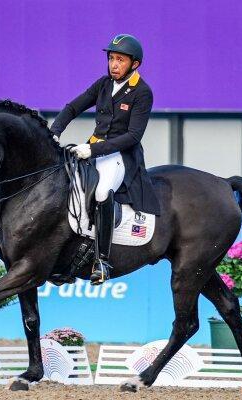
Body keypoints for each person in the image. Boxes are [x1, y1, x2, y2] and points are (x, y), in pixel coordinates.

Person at [51, 33, 160, 285]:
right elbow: (73, 107)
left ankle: (101, 261)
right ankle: (65, 259)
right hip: (94, 149)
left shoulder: (142, 92)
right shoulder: (103, 84)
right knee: (70, 190)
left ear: (134, 64)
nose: (114, 64)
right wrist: (55, 131)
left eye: (120, 60)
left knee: (101, 193)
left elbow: (133, 136)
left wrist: (93, 151)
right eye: (111, 58)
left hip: (121, 155)